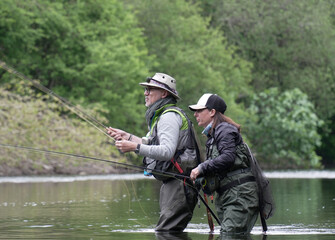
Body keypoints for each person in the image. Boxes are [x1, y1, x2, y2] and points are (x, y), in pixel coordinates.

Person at [107, 73, 200, 232]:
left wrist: (134, 147)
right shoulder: (163, 115)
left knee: (165, 233)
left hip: (179, 184)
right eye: (146, 89)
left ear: (164, 93)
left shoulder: (169, 116)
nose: (145, 93)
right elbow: (150, 143)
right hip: (175, 183)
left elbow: (166, 151)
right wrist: (127, 137)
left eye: (150, 89)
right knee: (168, 233)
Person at [189, 93, 259, 235]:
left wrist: (202, 167)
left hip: (239, 196)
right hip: (230, 195)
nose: (195, 114)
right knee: (229, 234)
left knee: (230, 235)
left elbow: (228, 157)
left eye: (199, 110)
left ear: (212, 112)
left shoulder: (224, 130)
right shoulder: (214, 134)